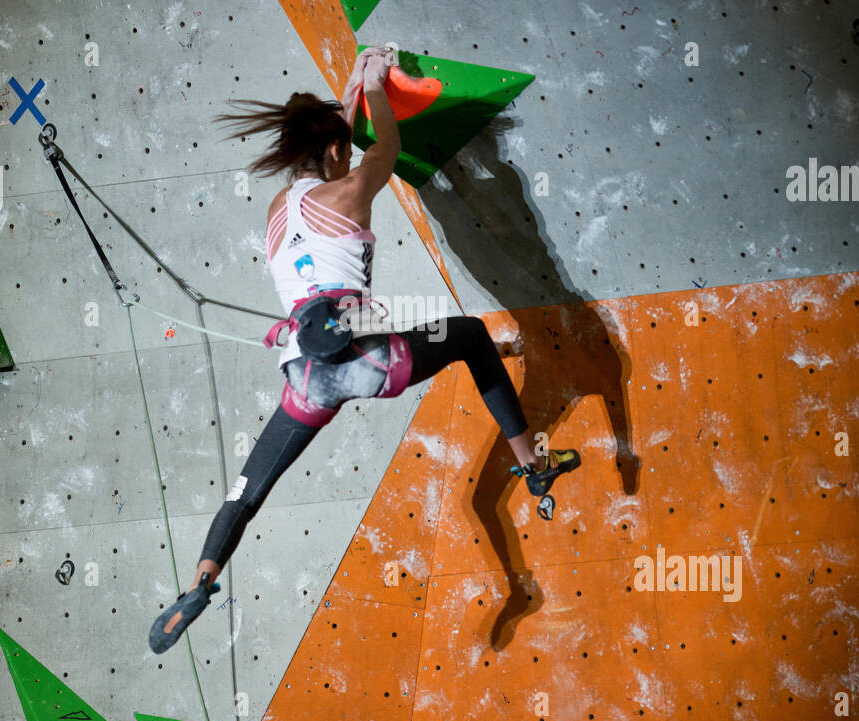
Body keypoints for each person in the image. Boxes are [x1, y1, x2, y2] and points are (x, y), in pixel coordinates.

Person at [148, 47, 580, 653]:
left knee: (246, 493)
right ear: (333, 153)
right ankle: (534, 466)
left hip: (305, 377)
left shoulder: (276, 211)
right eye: (342, 149)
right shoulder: (351, 190)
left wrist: (347, 93)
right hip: (368, 362)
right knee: (470, 338)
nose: (349, 154)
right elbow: (388, 149)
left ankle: (199, 583)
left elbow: (335, 150)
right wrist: (375, 85)